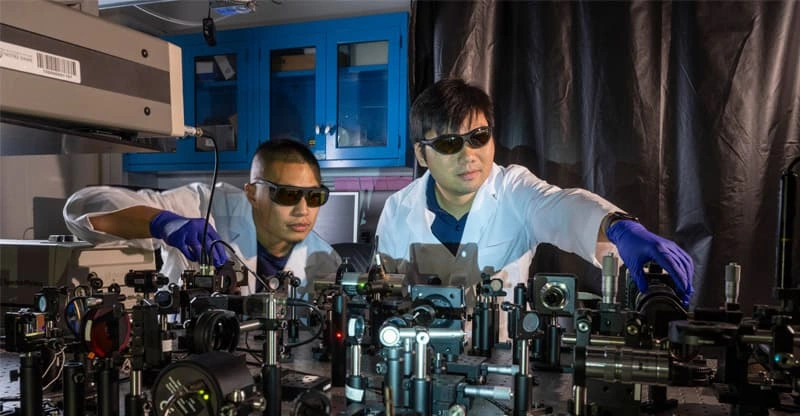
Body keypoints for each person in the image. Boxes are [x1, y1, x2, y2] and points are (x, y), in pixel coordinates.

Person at [376, 78, 693, 307]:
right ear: (421, 154)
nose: (468, 155)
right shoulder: (397, 209)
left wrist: (619, 227)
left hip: (502, 373)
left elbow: (562, 208)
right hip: (414, 369)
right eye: (448, 143)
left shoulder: (513, 188)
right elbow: (382, 290)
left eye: (478, 137)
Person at [64, 138, 341, 298]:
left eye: (315, 197)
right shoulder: (204, 205)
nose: (303, 210)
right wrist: (166, 224)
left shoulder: (325, 262)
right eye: (288, 195)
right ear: (252, 193)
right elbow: (82, 207)